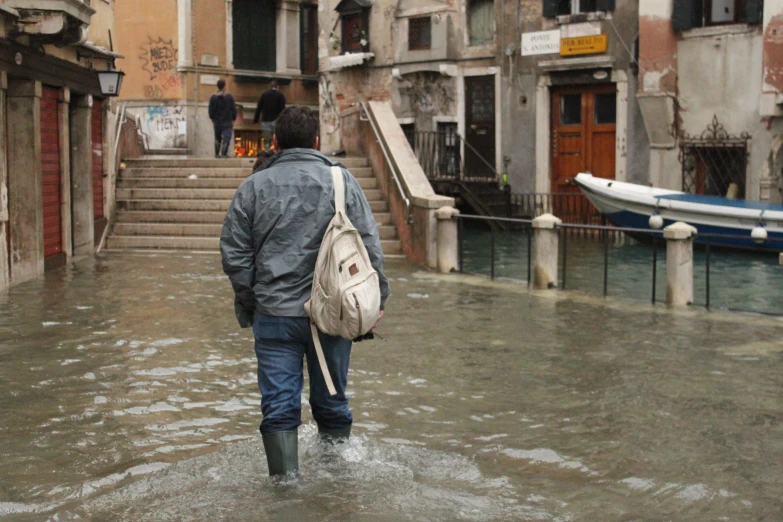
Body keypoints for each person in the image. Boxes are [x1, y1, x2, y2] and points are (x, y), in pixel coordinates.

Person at [220, 106, 390, 478]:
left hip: (275, 315)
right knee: (333, 401)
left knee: (279, 406)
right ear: (317, 141)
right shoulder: (342, 181)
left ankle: (285, 489)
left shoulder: (252, 187)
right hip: (333, 313)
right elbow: (369, 248)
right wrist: (377, 302)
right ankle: (338, 480)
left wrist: (254, 302)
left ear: (275, 142)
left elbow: (234, 254)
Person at [253, 80, 286, 154]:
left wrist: (256, 119)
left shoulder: (264, 95)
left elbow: (259, 108)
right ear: (277, 87)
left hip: (265, 120)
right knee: (277, 137)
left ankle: (267, 151)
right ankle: (277, 151)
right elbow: (283, 109)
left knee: (267, 139)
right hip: (276, 120)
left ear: (269, 87)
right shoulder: (280, 95)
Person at [208, 79, 237, 158]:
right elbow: (233, 109)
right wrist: (234, 119)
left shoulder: (213, 98)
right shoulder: (229, 97)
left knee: (217, 138)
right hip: (227, 121)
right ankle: (224, 154)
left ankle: (217, 154)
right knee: (226, 138)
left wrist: (212, 118)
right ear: (224, 86)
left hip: (217, 122)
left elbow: (210, 111)